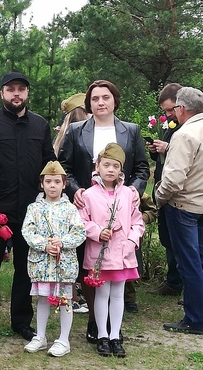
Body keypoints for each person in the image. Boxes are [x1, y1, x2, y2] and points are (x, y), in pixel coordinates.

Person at [58, 79, 149, 343]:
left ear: (114, 100)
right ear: (89, 103)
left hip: (120, 209)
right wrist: (73, 189)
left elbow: (142, 167)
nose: (100, 102)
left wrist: (133, 190)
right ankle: (95, 322)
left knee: (117, 265)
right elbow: (65, 166)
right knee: (90, 264)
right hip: (88, 207)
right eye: (95, 98)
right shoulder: (76, 130)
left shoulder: (130, 130)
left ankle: (114, 326)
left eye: (105, 97)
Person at [0, 72, 55, 345]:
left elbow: (49, 165)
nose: (16, 94)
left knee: (24, 269)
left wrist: (52, 199)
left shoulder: (40, 125)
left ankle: (21, 322)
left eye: (21, 89)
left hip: (30, 213)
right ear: (2, 93)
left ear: (27, 93)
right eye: (10, 89)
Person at [79, 143, 145, 358]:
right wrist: (98, 232)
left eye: (115, 166)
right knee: (102, 293)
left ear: (120, 170)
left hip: (123, 253)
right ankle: (102, 335)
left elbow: (137, 222)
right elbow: (81, 221)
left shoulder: (128, 194)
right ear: (97, 167)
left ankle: (116, 335)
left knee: (118, 294)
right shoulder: (88, 195)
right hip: (99, 253)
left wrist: (131, 241)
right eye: (106, 165)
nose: (110, 170)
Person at [22, 161, 85, 357]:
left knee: (64, 300)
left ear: (64, 184)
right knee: (42, 299)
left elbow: (79, 233)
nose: (52, 185)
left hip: (63, 265)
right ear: (42, 184)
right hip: (41, 264)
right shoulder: (34, 208)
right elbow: (28, 230)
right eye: (48, 181)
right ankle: (40, 336)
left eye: (57, 181)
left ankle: (63, 340)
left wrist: (62, 242)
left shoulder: (70, 209)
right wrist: (44, 244)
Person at [155, 86, 203, 335]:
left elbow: (173, 180)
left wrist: (159, 197)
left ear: (181, 109)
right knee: (201, 262)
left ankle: (195, 319)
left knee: (189, 263)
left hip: (184, 207)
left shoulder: (185, 135)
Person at [148, 83, 183, 297]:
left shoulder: (191, 127)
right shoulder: (169, 124)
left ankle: (184, 283)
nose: (169, 115)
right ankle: (173, 281)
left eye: (171, 110)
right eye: (165, 111)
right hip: (163, 189)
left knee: (185, 242)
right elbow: (161, 159)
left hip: (181, 193)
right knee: (167, 237)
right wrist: (155, 150)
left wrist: (168, 148)